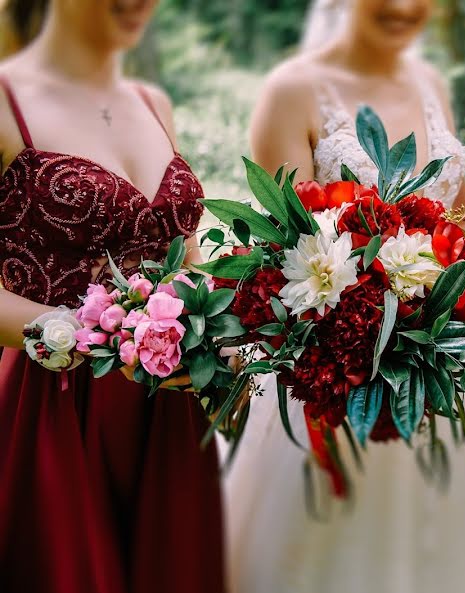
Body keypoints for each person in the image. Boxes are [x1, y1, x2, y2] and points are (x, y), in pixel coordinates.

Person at [221, 1, 465, 591]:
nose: (405, 7)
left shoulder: (429, 81)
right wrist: (371, 313)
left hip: (450, 356)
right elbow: (288, 251)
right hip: (341, 366)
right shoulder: (294, 91)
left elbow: (461, 223)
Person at [0, 1, 225, 592]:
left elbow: (187, 259)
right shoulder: (4, 99)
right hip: (51, 403)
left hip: (166, 402)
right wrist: (91, 333)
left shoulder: (155, 104)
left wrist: (217, 333)